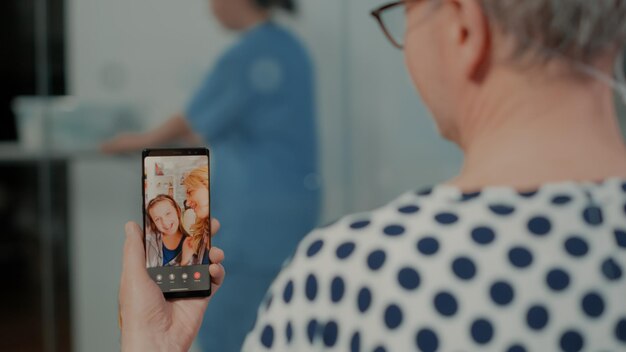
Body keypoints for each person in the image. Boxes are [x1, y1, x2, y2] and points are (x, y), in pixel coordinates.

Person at [120, 0, 626, 350]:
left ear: (464, 27)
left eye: (404, 14)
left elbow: (190, 123)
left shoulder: (350, 276)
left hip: (261, 231)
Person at [106, 0, 320, 349]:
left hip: (252, 221)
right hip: (291, 214)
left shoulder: (249, 55)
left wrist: (135, 141)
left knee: (229, 327)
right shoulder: (290, 49)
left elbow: (192, 121)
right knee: (278, 324)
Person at [145, 194, 194, 267]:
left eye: (168, 213)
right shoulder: (149, 242)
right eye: (157, 219)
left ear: (177, 211)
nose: (165, 223)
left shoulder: (191, 244)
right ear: (154, 223)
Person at [182, 166, 211, 265]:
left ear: (209, 185)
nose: (187, 203)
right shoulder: (203, 233)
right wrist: (185, 261)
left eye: (190, 192)